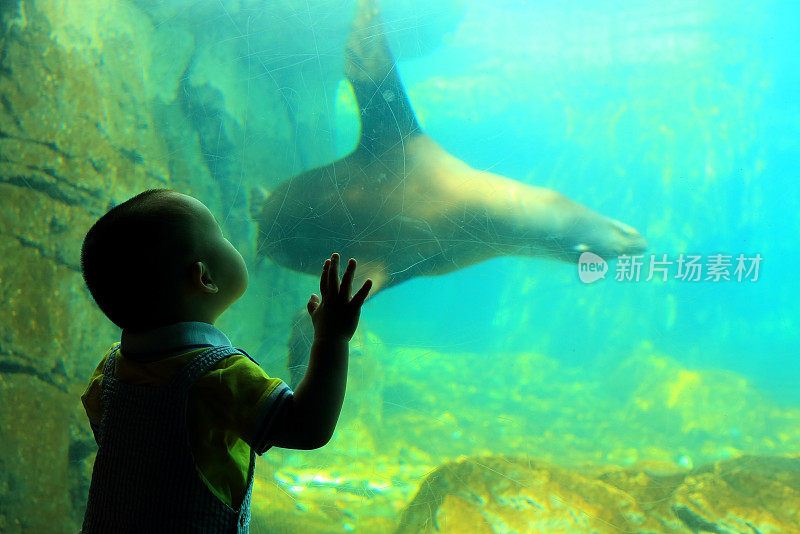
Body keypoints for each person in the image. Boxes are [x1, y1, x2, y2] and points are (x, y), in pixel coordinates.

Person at [78, 188, 372, 533]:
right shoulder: (218, 377)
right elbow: (307, 428)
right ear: (205, 278)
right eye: (219, 234)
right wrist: (332, 339)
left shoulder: (110, 371)